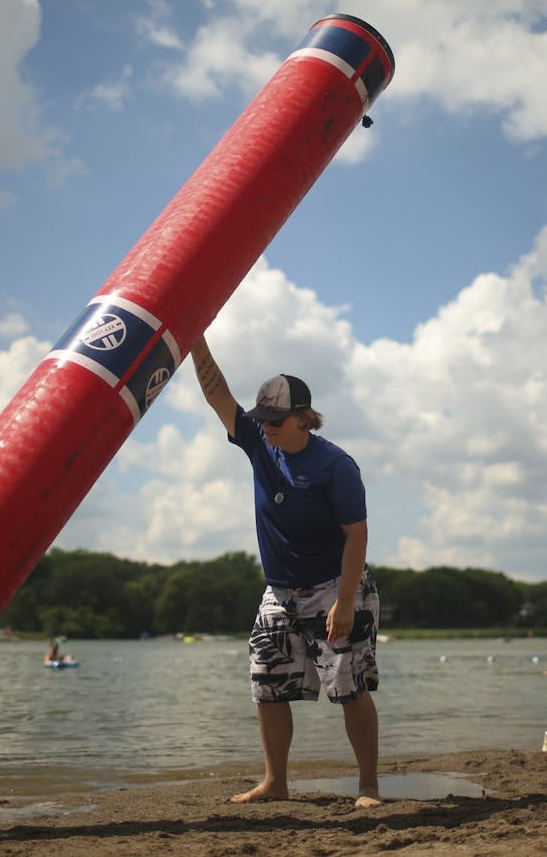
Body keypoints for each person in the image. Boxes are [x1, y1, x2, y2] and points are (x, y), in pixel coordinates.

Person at [191, 337, 381, 809]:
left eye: (276, 421)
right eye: (263, 421)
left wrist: (344, 601)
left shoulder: (335, 466)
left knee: (348, 688)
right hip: (279, 591)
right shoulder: (260, 443)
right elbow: (217, 393)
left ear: (303, 418)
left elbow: (356, 536)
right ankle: (275, 782)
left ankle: (368, 787)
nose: (268, 428)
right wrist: (195, 339)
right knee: (267, 686)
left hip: (336, 587)